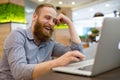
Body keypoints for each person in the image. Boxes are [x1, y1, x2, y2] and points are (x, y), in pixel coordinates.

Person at [0, 3, 85, 80]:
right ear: (34, 17)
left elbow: (78, 54)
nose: (51, 23)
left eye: (54, 21)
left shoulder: (49, 42)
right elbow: (19, 73)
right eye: (47, 18)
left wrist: (70, 23)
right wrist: (58, 62)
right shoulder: (17, 35)